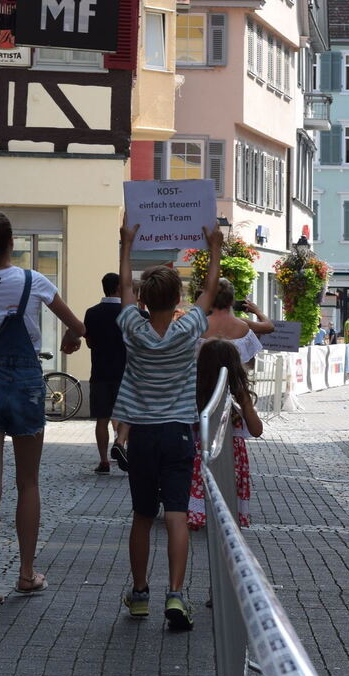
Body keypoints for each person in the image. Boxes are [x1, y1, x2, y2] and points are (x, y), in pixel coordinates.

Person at [0, 210, 87, 607]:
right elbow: (78, 325)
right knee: (28, 483)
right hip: (25, 385)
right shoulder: (33, 280)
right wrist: (72, 338)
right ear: (11, 243)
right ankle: (26, 573)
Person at [114, 218, 223, 631]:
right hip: (178, 431)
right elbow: (209, 292)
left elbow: (124, 289)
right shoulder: (188, 329)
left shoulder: (133, 327)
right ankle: (176, 594)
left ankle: (140, 593)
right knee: (177, 514)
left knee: (143, 515)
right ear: (178, 298)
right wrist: (214, 247)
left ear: (143, 299)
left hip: (142, 433)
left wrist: (126, 244)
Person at [194, 339, 264, 527]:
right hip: (232, 459)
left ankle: (200, 514)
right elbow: (257, 430)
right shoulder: (233, 394)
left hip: (201, 454)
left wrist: (244, 400)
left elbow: (256, 430)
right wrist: (245, 402)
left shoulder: (198, 392)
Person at [83, 273, 126, 474]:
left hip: (100, 372)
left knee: (102, 419)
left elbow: (89, 342)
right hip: (125, 374)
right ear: (118, 287)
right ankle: (122, 446)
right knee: (126, 417)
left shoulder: (92, 313)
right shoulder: (129, 313)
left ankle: (103, 461)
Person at [200, 280, 272, 365]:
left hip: (203, 373)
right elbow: (269, 327)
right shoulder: (243, 326)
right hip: (233, 373)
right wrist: (257, 311)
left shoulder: (198, 325)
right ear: (232, 301)